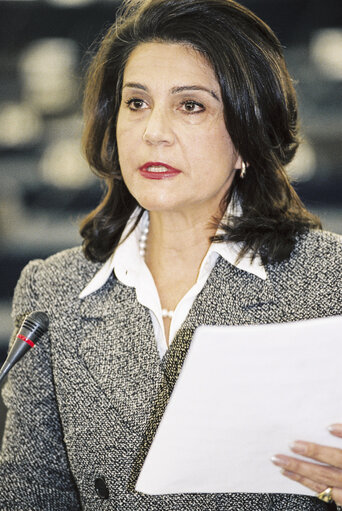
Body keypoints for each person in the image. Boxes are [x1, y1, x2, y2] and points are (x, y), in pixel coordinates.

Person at [0, 0, 342, 509]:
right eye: (136, 103)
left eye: (190, 106)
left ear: (250, 134)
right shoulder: (53, 290)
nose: (152, 131)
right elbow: (30, 493)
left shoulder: (329, 278)